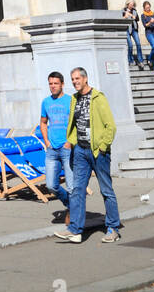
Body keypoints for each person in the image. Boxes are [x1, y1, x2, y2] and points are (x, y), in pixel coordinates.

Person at [53, 67, 121, 244]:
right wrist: (71, 141)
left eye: (77, 79)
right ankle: (75, 230)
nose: (75, 82)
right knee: (77, 190)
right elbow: (75, 124)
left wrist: (103, 147)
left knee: (106, 189)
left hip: (98, 151)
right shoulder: (74, 99)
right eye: (72, 79)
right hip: (80, 152)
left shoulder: (98, 97)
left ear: (85, 79)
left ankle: (113, 228)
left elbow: (110, 126)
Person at [40, 70, 74, 220]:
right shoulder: (46, 102)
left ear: (62, 85)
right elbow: (43, 122)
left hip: (67, 148)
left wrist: (70, 142)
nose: (53, 86)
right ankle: (72, 205)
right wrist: (46, 141)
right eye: (50, 84)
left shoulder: (71, 100)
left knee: (71, 186)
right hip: (52, 149)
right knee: (50, 186)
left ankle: (74, 214)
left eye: (56, 83)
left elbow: (77, 123)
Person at [123, 0, 144, 69]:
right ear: (128, 4)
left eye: (133, 4)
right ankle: (130, 60)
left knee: (138, 44)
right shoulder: (123, 10)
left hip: (134, 29)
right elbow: (122, 18)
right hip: (127, 29)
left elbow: (137, 19)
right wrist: (125, 16)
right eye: (131, 4)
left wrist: (132, 15)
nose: (132, 5)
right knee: (130, 45)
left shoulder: (134, 11)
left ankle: (140, 60)